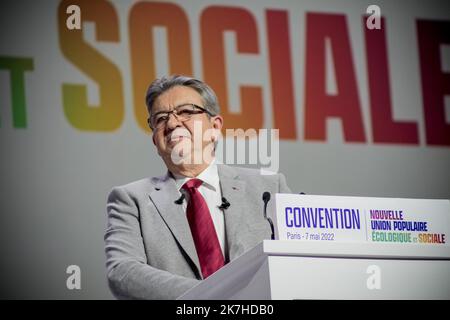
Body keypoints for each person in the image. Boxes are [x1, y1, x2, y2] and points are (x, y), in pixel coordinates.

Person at [104, 75, 291, 299]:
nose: (172, 124)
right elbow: (122, 272)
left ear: (214, 126)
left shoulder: (269, 188)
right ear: (155, 140)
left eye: (185, 112)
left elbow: (299, 262)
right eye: (161, 118)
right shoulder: (130, 199)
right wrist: (215, 297)